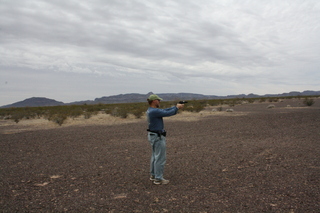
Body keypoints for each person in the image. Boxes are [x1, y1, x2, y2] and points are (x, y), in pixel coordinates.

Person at [146, 94, 184, 185]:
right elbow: (167, 113)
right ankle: (158, 179)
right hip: (157, 136)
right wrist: (177, 108)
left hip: (154, 135)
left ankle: (154, 175)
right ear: (154, 101)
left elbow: (164, 110)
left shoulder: (151, 110)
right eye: (158, 100)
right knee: (160, 158)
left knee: (155, 156)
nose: (160, 102)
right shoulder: (153, 111)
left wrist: (175, 107)